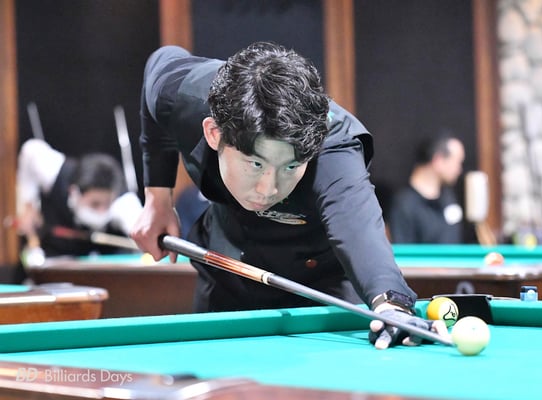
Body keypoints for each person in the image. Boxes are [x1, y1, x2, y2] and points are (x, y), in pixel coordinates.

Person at [131, 43, 449, 349]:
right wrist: (158, 199)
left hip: (319, 283)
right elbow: (160, 63)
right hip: (229, 261)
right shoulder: (184, 93)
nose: (268, 189)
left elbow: (359, 229)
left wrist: (392, 304)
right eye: (255, 164)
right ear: (214, 133)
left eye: (290, 166)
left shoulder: (334, 150)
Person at [16, 138, 143, 258]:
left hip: (104, 264)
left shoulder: (124, 203)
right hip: (54, 255)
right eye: (95, 204)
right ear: (74, 192)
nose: (102, 211)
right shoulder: (55, 172)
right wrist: (28, 206)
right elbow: (31, 150)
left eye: (107, 204)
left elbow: (142, 233)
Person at [388, 133, 465, 244]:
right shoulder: (405, 203)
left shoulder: (448, 197)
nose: (459, 170)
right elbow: (403, 249)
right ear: (438, 160)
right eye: (457, 162)